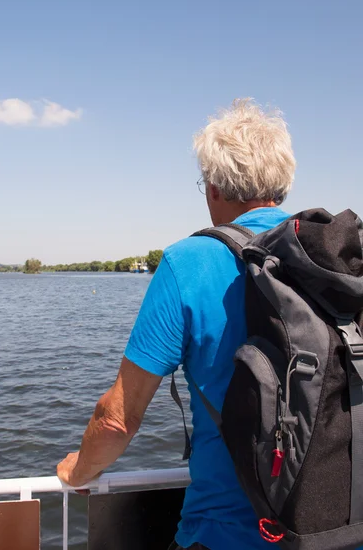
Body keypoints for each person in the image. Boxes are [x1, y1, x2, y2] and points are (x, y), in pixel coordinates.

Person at [57, 98, 296, 550]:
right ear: (281, 186)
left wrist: (77, 471)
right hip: (337, 530)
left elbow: (116, 419)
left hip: (226, 535)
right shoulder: (335, 260)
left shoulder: (188, 263)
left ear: (212, 189)